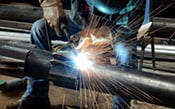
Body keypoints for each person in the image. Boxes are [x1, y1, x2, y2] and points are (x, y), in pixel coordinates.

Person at [6, 0, 147, 109]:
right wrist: (49, 3)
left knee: (126, 54)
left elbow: (131, 28)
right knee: (39, 29)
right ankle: (36, 97)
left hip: (118, 30)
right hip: (81, 22)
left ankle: (120, 107)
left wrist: (104, 35)